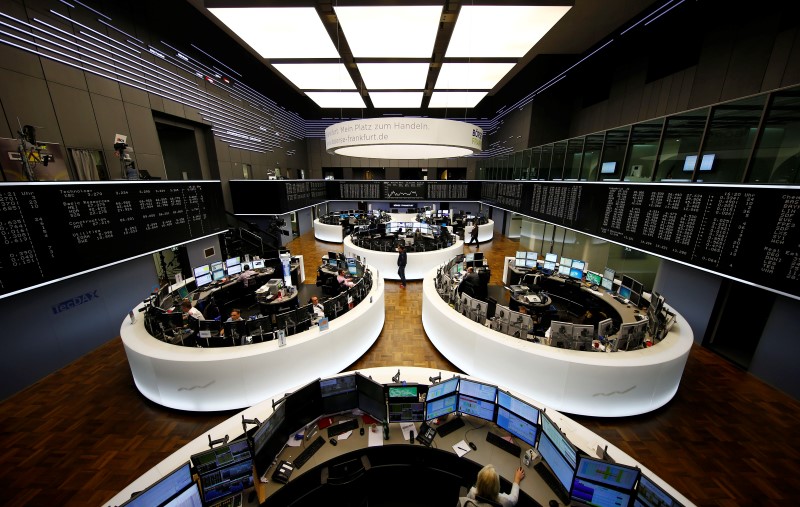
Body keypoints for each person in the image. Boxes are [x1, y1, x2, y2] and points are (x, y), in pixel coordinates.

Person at [459, 464, 525, 507]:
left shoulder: (472, 492)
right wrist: (517, 479)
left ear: (478, 483)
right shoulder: (504, 501)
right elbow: (514, 499)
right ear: (498, 486)